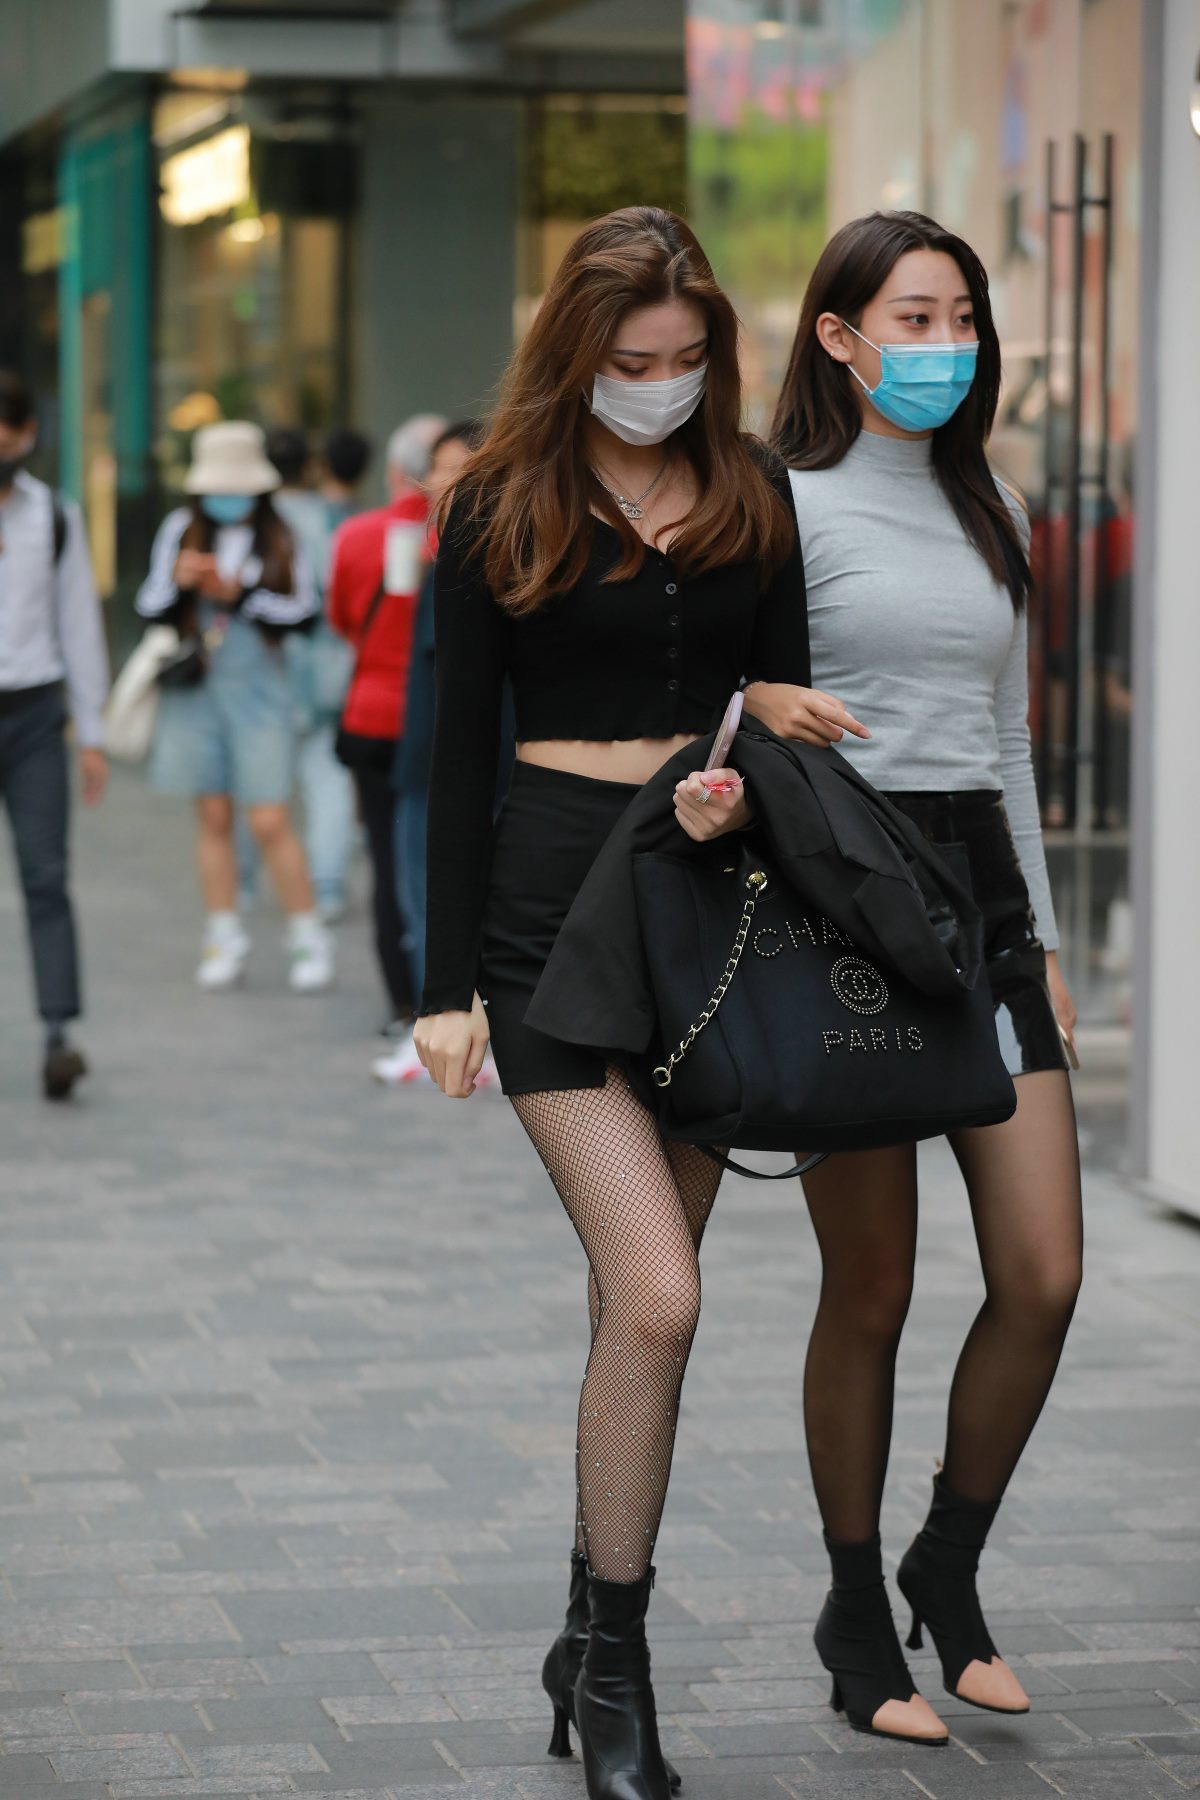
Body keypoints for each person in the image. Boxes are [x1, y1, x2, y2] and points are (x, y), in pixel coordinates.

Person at [413, 208, 810, 1800]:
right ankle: (624, 1670)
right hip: (542, 923)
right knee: (658, 1293)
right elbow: (452, 755)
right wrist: (440, 986)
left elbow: (776, 713)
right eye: (633, 359)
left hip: (703, 908)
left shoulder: (755, 491)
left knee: (633, 1305)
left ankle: (589, 1637)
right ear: (578, 354)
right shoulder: (496, 500)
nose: (661, 381)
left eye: (687, 356)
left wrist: (745, 787)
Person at [747, 209, 1082, 1745]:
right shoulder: (778, 504)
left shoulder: (992, 499)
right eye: (914, 317)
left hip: (986, 899)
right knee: (871, 1285)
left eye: (962, 316)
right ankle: (853, 1605)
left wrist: (1047, 943)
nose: (945, 343)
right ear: (839, 336)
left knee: (1044, 1272)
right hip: (848, 898)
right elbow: (735, 706)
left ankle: (946, 1564)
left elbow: (1008, 736)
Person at [135, 421, 334, 993]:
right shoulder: (180, 529)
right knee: (213, 815)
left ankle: (307, 934)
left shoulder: (282, 533)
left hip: (260, 687)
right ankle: (223, 935)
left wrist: (238, 593)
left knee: (269, 818)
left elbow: (304, 613)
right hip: (198, 688)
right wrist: (181, 582)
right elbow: (150, 605)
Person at [0, 369, 109, 1099]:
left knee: (45, 875)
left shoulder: (55, 517)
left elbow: (79, 625)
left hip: (35, 715)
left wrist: (91, 732)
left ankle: (58, 1033)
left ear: (27, 437)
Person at [370, 419, 488, 1086]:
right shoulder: (439, 554)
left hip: (458, 766)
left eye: (455, 468)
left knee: (431, 898)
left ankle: (445, 1033)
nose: (439, 482)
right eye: (437, 467)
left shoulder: (476, 563)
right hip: (424, 756)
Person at [326, 414, 445, 1031]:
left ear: (396, 470)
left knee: (387, 856)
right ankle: (452, 997)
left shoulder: (355, 536)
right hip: (443, 719)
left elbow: (343, 619)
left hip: (372, 715)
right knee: (446, 859)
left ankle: (404, 1001)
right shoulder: (459, 539)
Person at [264, 426, 356, 924]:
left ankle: (249, 882)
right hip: (328, 671)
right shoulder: (333, 518)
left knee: (261, 783)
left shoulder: (259, 521)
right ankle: (326, 885)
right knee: (328, 781)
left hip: (269, 671)